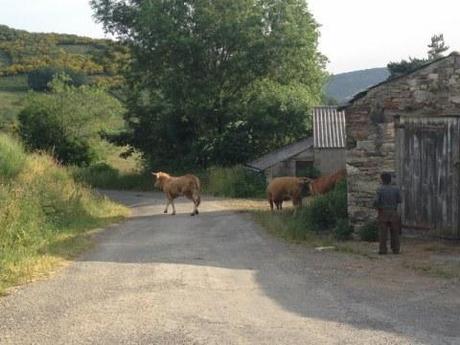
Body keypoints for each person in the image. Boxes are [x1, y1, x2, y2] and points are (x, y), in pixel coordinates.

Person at [373, 172, 401, 254]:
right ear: (390, 179)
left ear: (382, 180)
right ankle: (396, 249)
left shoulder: (380, 189)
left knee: (383, 232)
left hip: (383, 212)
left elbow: (376, 201)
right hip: (393, 211)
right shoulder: (396, 189)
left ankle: (383, 249)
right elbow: (400, 200)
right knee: (395, 231)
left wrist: (376, 206)